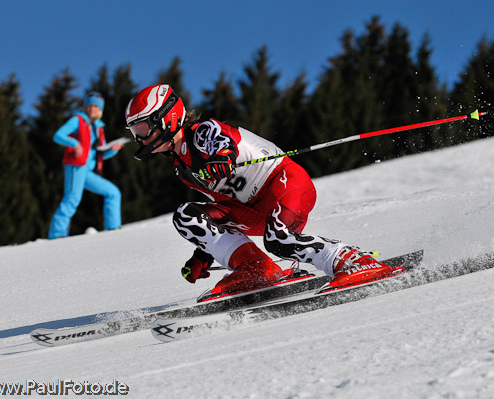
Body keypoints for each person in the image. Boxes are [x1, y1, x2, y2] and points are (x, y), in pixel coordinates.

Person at [125, 84, 396, 295]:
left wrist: (221, 160)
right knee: (187, 215)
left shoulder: (202, 131)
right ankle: (254, 267)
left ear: (167, 118)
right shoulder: (182, 168)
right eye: (134, 132)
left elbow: (224, 145)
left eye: (142, 128)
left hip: (284, 182)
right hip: (254, 210)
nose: (139, 138)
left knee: (278, 240)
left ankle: (353, 261)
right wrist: (205, 252)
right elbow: (222, 210)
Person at [48, 92, 123, 239]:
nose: (92, 109)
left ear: (100, 109)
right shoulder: (77, 120)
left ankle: (113, 228)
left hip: (88, 171)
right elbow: (58, 135)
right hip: (76, 166)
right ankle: (57, 235)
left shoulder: (99, 128)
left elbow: (100, 154)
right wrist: (74, 144)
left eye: (96, 106)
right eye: (89, 105)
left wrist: (112, 151)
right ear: (85, 107)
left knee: (113, 192)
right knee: (72, 199)